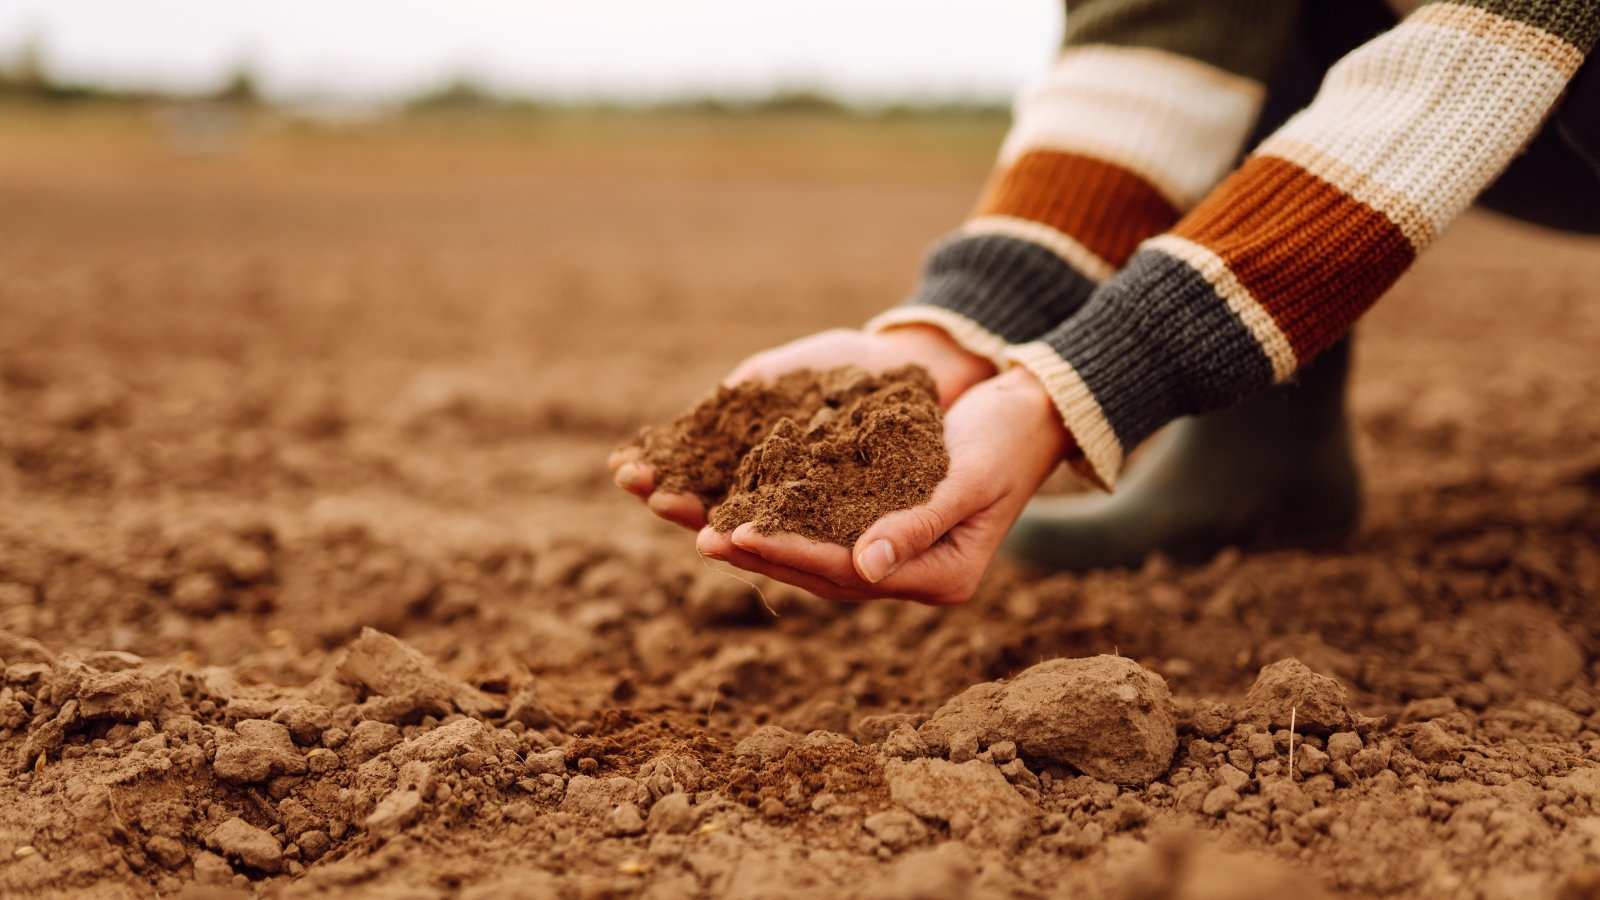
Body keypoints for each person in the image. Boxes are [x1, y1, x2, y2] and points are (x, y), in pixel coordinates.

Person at [612, 0, 1600, 605]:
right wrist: (956, 331)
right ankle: (1266, 457)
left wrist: (1083, 380)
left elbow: (1466, 73)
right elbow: (1157, 46)